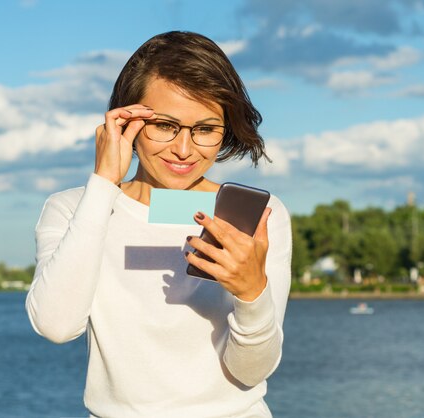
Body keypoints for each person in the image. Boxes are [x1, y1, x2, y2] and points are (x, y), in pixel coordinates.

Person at [25, 31, 292, 418]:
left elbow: (251, 370)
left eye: (204, 129)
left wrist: (252, 293)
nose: (184, 150)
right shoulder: (73, 209)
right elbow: (56, 325)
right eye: (165, 125)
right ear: (126, 120)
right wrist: (102, 187)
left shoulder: (257, 218)